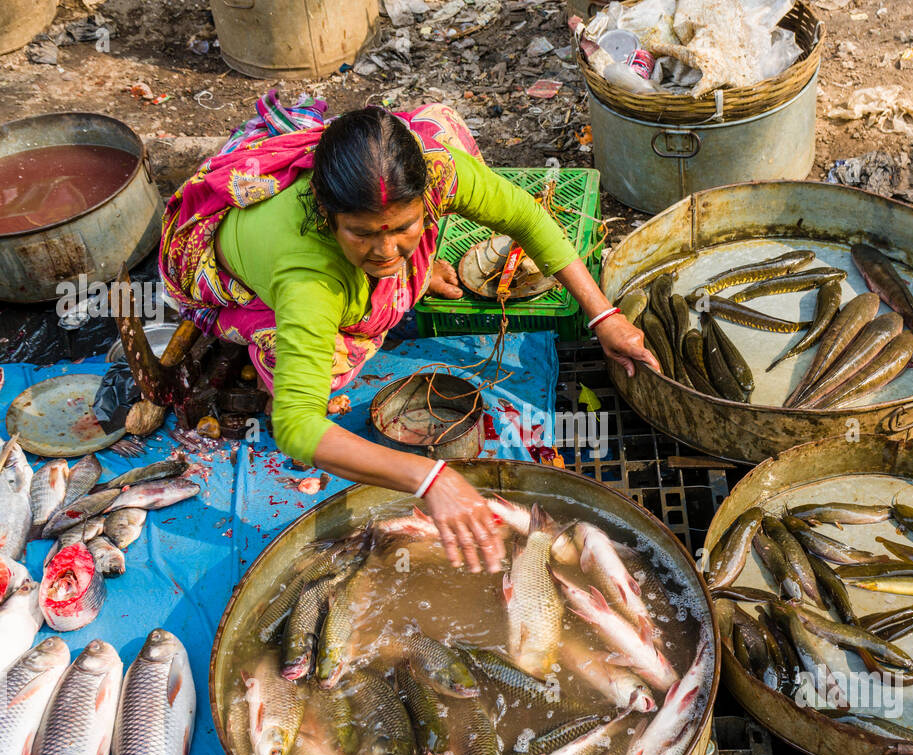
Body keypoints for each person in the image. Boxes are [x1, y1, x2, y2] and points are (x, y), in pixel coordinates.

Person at [161, 98, 657, 574]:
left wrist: (602, 315)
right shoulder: (308, 279)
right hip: (215, 271)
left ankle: (411, 271)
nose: (385, 249)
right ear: (327, 214)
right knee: (336, 359)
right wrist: (430, 477)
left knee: (442, 124)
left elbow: (524, 216)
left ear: (426, 195)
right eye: (361, 233)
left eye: (405, 227)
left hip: (328, 236)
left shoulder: (439, 171)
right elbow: (296, 427)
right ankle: (289, 327)